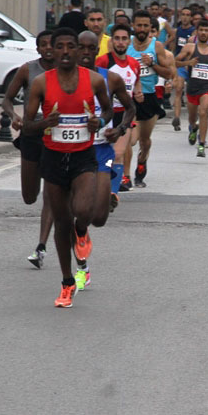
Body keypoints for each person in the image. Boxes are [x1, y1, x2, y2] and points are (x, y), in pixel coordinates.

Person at [22, 27, 112, 308]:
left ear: (77, 50)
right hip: (53, 157)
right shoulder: (41, 83)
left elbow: (109, 110)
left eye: (70, 46)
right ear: (53, 49)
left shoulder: (94, 80)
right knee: (61, 223)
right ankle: (67, 282)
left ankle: (82, 230)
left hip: (83, 157)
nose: (64, 51)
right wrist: (44, 123)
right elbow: (27, 125)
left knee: (82, 211)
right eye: (59, 46)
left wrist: (100, 122)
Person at [74, 29, 135, 290]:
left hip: (101, 150)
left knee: (99, 217)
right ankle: (81, 267)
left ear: (98, 48)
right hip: (72, 152)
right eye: (82, 48)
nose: (86, 53)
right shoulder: (61, 79)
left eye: (92, 48)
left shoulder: (110, 78)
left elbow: (130, 108)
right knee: (78, 211)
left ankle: (84, 228)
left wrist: (119, 129)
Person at [2, 30, 55, 268]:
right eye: (43, 44)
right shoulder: (27, 70)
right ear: (38, 48)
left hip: (55, 136)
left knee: (51, 193)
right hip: (31, 134)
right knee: (29, 196)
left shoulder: (66, 71)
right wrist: (14, 116)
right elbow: (7, 99)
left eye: (52, 44)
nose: (48, 48)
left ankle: (41, 246)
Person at [125, 11, 174, 187]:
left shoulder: (156, 46)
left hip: (149, 97)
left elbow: (168, 73)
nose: (142, 29)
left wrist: (152, 64)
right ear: (133, 26)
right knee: (129, 139)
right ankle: (125, 176)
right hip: (129, 97)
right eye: (139, 25)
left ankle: (142, 162)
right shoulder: (126, 43)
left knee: (144, 141)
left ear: (150, 28)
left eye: (146, 26)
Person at [95, 22, 139, 208]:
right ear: (111, 41)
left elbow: (135, 83)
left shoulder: (134, 64)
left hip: (124, 114)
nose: (120, 42)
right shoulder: (103, 62)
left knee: (119, 153)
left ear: (129, 42)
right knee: (106, 154)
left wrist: (138, 92)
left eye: (124, 39)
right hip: (106, 114)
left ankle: (112, 194)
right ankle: (101, 185)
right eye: (117, 39)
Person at [176, 18, 208, 156]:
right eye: (201, 30)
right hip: (193, 87)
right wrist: (188, 63)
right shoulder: (189, 47)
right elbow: (175, 62)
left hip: (207, 87)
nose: (203, 33)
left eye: (206, 30)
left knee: (203, 112)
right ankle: (193, 128)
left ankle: (202, 144)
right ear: (197, 32)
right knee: (192, 118)